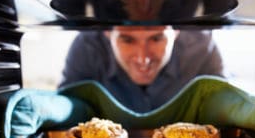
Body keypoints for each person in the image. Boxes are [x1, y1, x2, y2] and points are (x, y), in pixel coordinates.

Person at [59, 26, 224, 112]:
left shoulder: (202, 47)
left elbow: (223, 103)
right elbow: (67, 103)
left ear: (176, 30)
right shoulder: (87, 47)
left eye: (156, 38)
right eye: (128, 40)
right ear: (108, 32)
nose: (143, 58)